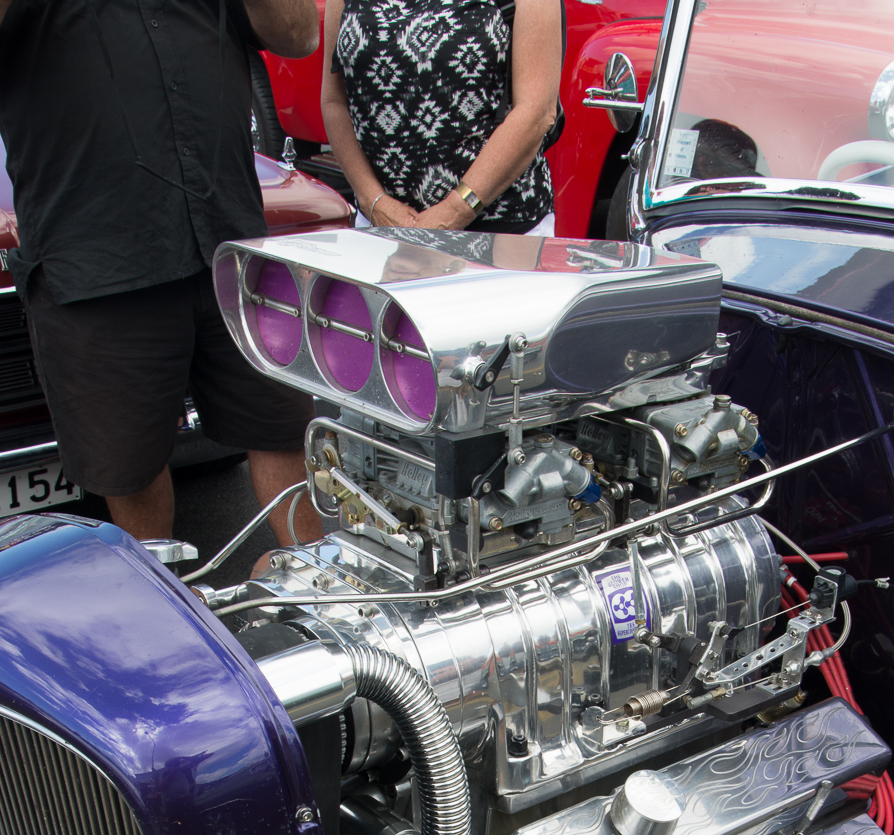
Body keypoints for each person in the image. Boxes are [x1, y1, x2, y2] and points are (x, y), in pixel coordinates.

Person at [0, 0, 322, 544]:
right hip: (100, 264)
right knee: (131, 464)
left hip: (229, 244)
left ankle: (315, 576)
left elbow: (299, 36)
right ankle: (165, 586)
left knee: (282, 426)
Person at [322, 0, 560, 235]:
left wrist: (455, 211)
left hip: (502, 229)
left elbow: (537, 111)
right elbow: (334, 101)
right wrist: (373, 201)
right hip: (381, 228)